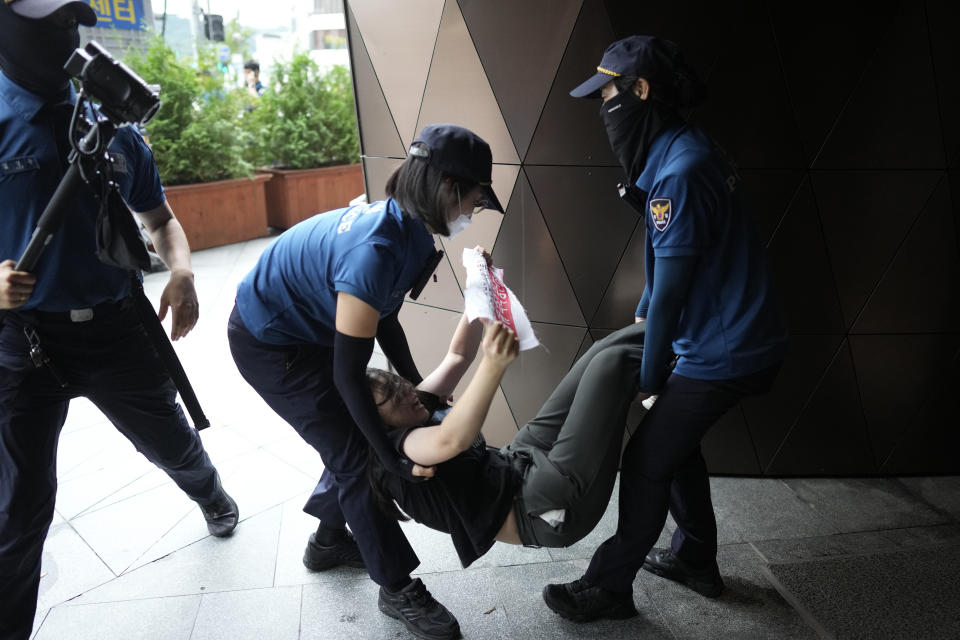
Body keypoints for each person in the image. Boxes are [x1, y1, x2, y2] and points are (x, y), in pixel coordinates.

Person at [0, 3, 238, 639]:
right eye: (44, 23)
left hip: (115, 328)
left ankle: (210, 492)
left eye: (70, 22)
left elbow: (159, 220)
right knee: (15, 514)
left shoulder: (110, 123)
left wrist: (182, 271)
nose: (63, 37)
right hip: (24, 341)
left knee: (170, 443)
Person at [539, 35, 789, 622]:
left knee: (648, 457)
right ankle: (696, 559)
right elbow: (670, 260)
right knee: (675, 445)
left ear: (641, 90)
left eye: (608, 96)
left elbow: (674, 285)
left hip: (727, 350)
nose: (604, 109)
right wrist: (647, 309)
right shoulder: (685, 149)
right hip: (734, 337)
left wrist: (649, 378)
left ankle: (608, 586)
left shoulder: (680, 171)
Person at [227, 123, 504, 640]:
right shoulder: (374, 249)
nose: (473, 212)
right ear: (446, 188)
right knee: (358, 456)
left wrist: (418, 384)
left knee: (353, 439)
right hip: (271, 344)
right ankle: (396, 587)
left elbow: (385, 316)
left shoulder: (413, 232)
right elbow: (347, 374)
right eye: (473, 199)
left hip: (309, 329)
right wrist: (393, 457)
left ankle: (331, 540)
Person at [367, 305, 650, 568]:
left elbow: (458, 356)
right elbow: (452, 439)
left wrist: (477, 299)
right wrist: (494, 363)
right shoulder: (397, 451)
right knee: (611, 364)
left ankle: (678, 329)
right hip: (541, 508)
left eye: (395, 382)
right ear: (373, 423)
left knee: (602, 351)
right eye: (392, 396)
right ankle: (687, 357)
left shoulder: (413, 406)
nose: (405, 391)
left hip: (517, 461)